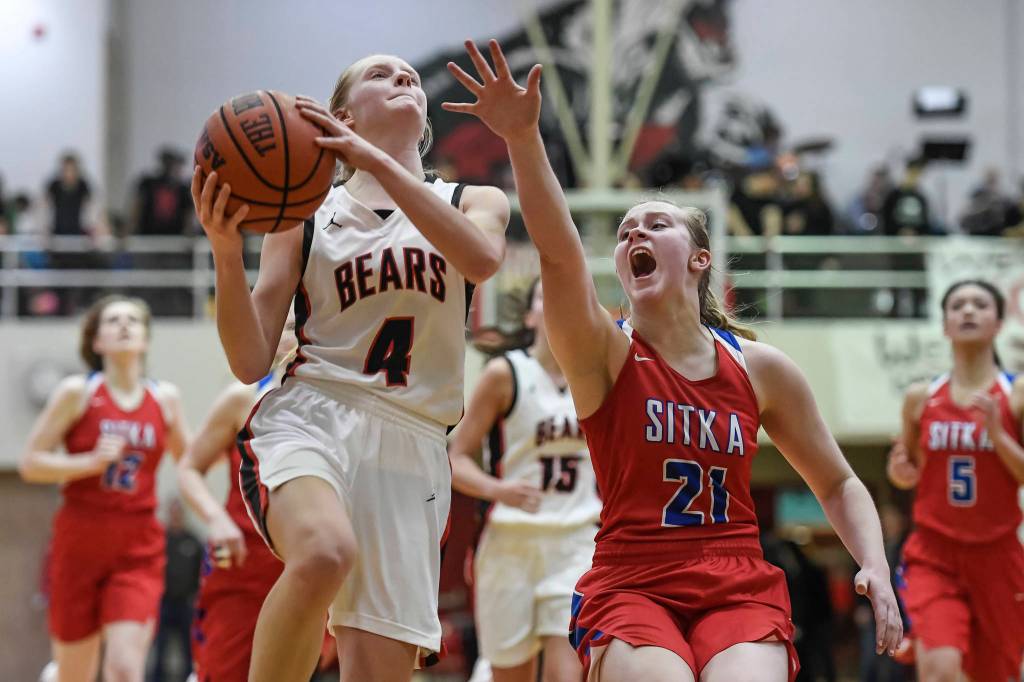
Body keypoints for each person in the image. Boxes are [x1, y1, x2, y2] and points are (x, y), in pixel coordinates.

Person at [444, 38, 902, 681]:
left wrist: (874, 564)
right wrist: (523, 138)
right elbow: (559, 254)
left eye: (655, 225)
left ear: (698, 259)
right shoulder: (604, 352)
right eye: (627, 230)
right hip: (633, 579)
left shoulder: (759, 367)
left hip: (736, 578)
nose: (634, 234)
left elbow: (838, 482)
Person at [191, 51, 509, 682]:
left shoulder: (477, 199)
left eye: (410, 76)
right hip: (314, 415)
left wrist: (378, 167)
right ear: (340, 117)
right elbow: (249, 357)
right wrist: (227, 255)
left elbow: (480, 260)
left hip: (415, 443)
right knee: (323, 554)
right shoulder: (305, 214)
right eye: (381, 75)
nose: (405, 79)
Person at [18, 295, 189, 682]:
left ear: (146, 339)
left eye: (134, 320)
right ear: (97, 342)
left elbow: (191, 463)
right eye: (113, 321)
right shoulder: (77, 392)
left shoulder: (165, 399)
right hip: (80, 539)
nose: (125, 325)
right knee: (76, 674)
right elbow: (31, 463)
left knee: (126, 670)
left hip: (138, 545)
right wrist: (89, 463)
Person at [449, 278, 599, 682]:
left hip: (576, 542)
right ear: (531, 315)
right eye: (544, 297)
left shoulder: (596, 375)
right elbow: (455, 458)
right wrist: (498, 490)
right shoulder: (505, 373)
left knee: (567, 673)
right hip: (509, 544)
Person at [887, 279, 1024, 682]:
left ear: (999, 322)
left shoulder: (1015, 395)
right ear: (944, 324)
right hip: (935, 552)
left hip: (998, 555)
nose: (967, 311)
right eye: (957, 305)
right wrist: (899, 471)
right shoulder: (920, 397)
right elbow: (905, 468)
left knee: (997, 674)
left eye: (980, 304)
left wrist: (999, 437)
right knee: (941, 669)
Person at [176, 314, 296, 682]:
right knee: (224, 668)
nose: (302, 335)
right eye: (290, 327)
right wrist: (216, 518)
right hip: (243, 553)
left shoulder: (343, 405)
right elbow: (189, 468)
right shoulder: (241, 399)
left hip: (307, 559)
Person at [152, 498, 204, 682]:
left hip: (185, 605)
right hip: (163, 604)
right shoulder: (159, 540)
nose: (175, 516)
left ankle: (188, 678)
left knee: (188, 650)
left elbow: (202, 573)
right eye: (172, 512)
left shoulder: (193, 541)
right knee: (160, 649)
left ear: (182, 515)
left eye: (178, 512)